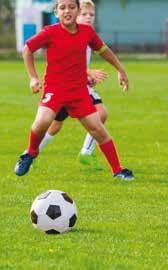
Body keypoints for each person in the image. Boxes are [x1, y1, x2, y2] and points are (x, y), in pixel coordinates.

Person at [14, 0, 134, 180]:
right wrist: (33, 77)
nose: (67, 11)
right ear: (56, 12)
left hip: (79, 92)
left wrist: (120, 69)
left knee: (98, 130)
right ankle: (30, 153)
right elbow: (27, 49)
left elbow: (103, 50)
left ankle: (118, 171)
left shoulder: (87, 32)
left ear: (78, 10)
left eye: (71, 7)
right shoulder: (50, 32)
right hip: (55, 90)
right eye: (62, 7)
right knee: (43, 121)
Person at [38, 0, 108, 171]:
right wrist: (87, 73)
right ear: (76, 15)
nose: (88, 17)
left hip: (80, 86)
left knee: (101, 114)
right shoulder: (68, 33)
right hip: (64, 87)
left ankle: (85, 152)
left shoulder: (87, 34)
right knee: (55, 125)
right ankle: (31, 152)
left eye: (91, 15)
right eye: (84, 14)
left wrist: (87, 76)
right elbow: (66, 64)